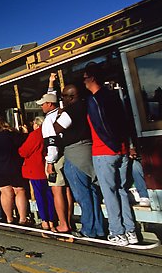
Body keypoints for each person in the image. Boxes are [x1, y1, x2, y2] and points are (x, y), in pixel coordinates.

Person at [83, 62, 139, 246]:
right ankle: (130, 230)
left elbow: (100, 126)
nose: (83, 82)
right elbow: (124, 121)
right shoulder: (113, 96)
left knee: (110, 193)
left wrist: (111, 143)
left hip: (104, 150)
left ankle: (117, 232)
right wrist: (126, 144)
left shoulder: (94, 100)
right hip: (121, 149)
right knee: (121, 190)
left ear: (91, 78)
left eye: (84, 78)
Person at [48, 74, 105, 238]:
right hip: (89, 151)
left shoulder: (71, 110)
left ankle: (88, 229)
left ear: (71, 97)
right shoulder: (86, 105)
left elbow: (57, 129)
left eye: (64, 96)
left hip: (74, 154)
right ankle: (99, 228)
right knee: (93, 193)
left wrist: (58, 115)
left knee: (82, 195)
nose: (62, 99)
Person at [37, 92, 74, 234]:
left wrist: (50, 162)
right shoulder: (62, 115)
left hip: (56, 157)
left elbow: (51, 143)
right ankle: (68, 220)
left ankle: (63, 223)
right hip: (67, 153)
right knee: (67, 190)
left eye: (43, 104)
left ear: (50, 104)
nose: (42, 106)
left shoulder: (48, 121)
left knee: (57, 190)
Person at [0, 116, 30, 224]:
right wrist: (25, 133)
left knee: (5, 192)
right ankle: (22, 218)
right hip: (13, 166)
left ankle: (9, 218)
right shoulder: (11, 135)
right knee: (19, 190)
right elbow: (24, 142)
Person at [18, 116, 57, 231]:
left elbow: (23, 151)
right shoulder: (49, 132)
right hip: (47, 167)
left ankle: (45, 220)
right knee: (50, 195)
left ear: (37, 124)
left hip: (36, 169)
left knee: (40, 196)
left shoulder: (35, 134)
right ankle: (51, 220)